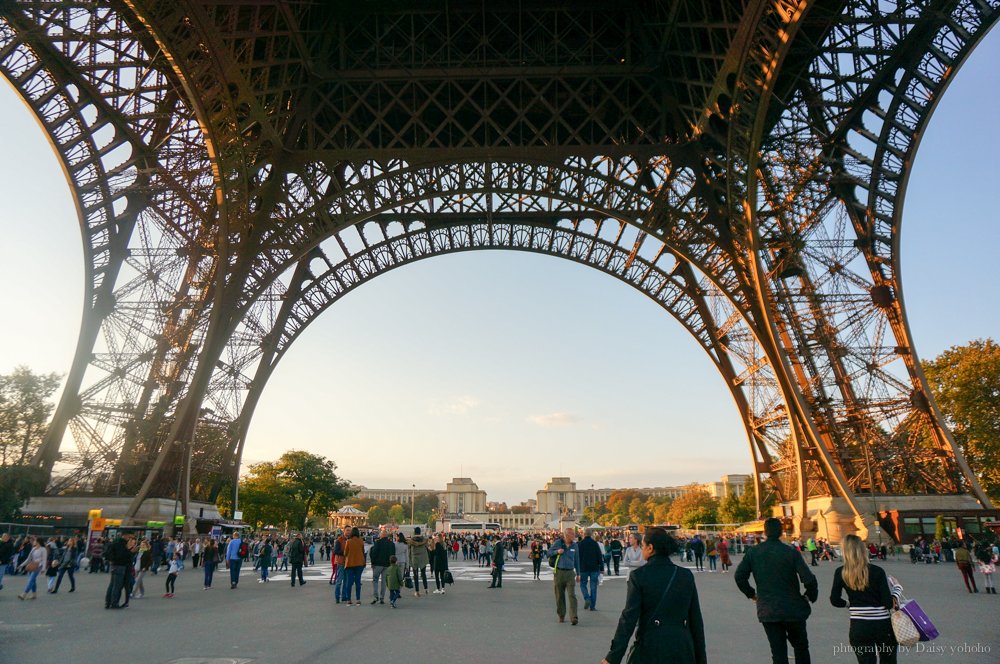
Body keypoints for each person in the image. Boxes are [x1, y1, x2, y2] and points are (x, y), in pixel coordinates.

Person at [601, 528, 706, 664]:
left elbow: (628, 619)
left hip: (651, 646)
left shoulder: (639, 576)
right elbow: (696, 620)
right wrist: (701, 659)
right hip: (681, 647)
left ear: (650, 548)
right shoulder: (685, 575)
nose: (643, 549)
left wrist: (613, 657)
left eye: (643, 546)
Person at [735, 518, 818, 664]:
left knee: (778, 651)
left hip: (768, 608)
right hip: (793, 608)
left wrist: (752, 594)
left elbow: (739, 576)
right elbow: (809, 579)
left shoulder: (754, 552)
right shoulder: (791, 552)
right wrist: (809, 596)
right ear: (781, 532)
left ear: (765, 532)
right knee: (801, 647)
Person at [830, 534, 902, 664]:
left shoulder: (841, 572)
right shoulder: (877, 571)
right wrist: (897, 588)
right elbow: (887, 603)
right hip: (882, 626)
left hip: (859, 627)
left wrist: (850, 605)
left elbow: (834, 600)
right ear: (863, 550)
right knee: (888, 660)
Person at [547, 528, 581, 625]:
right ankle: (561, 615)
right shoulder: (558, 543)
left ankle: (574, 616)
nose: (574, 536)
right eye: (572, 534)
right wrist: (557, 551)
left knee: (572, 595)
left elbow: (577, 560)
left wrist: (578, 574)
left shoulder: (575, 545)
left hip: (570, 573)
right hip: (559, 572)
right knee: (559, 595)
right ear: (566, 535)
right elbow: (548, 553)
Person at [103, 533, 132, 608]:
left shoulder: (114, 542)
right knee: (117, 585)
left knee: (112, 584)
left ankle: (107, 602)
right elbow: (122, 555)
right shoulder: (122, 544)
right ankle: (114, 603)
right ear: (124, 535)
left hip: (113, 565)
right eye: (129, 536)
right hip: (120, 565)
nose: (129, 538)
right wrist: (129, 551)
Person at [578, 528, 604, 610]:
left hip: (583, 567)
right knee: (593, 587)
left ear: (584, 534)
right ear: (591, 534)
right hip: (594, 567)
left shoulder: (580, 544)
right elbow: (599, 556)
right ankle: (592, 606)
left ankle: (587, 598)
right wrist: (602, 567)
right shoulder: (595, 544)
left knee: (583, 584)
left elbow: (577, 557)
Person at [16, 537, 48, 601]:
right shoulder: (33, 549)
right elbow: (28, 559)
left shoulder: (43, 549)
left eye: (34, 541)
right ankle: (34, 595)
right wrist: (21, 565)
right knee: (33, 580)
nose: (33, 542)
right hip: (32, 566)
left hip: (38, 566)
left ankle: (24, 594)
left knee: (31, 580)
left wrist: (43, 569)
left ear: (38, 542)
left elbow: (44, 560)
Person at [341, 527, 365, 605]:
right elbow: (363, 551)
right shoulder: (361, 541)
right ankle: (358, 599)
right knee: (358, 582)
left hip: (350, 564)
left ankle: (349, 599)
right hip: (359, 563)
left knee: (349, 582)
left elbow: (345, 553)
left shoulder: (348, 541)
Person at [369, 528, 394, 603]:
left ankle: (376, 596)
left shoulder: (378, 543)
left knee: (375, 580)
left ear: (381, 535)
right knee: (384, 582)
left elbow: (374, 553)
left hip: (377, 564)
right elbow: (393, 555)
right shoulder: (391, 544)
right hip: (387, 565)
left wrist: (372, 563)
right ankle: (382, 598)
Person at [407, 527, 430, 597]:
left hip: (415, 558)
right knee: (423, 574)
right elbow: (428, 546)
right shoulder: (424, 539)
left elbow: (409, 549)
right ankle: (426, 589)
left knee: (415, 575)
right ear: (420, 532)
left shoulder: (411, 540)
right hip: (423, 557)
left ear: (414, 532)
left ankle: (417, 591)